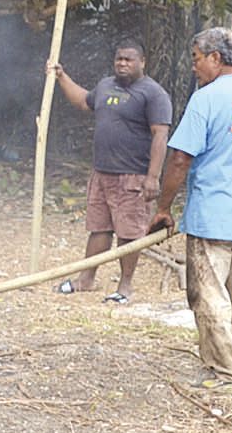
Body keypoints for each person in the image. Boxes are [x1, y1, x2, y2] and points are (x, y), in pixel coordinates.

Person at [149, 27, 232, 380]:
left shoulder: (205, 98)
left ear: (215, 58)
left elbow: (179, 158)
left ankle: (225, 367)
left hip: (213, 214)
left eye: (196, 59)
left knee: (208, 295)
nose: (194, 67)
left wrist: (163, 208)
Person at [47, 39, 172, 304]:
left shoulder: (153, 93)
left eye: (129, 59)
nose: (123, 64)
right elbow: (83, 101)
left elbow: (160, 135)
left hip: (133, 176)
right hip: (102, 173)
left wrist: (153, 176)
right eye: (119, 59)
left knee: (129, 234)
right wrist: (61, 77)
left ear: (142, 62)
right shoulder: (105, 86)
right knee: (99, 228)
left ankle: (125, 287)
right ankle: (86, 279)